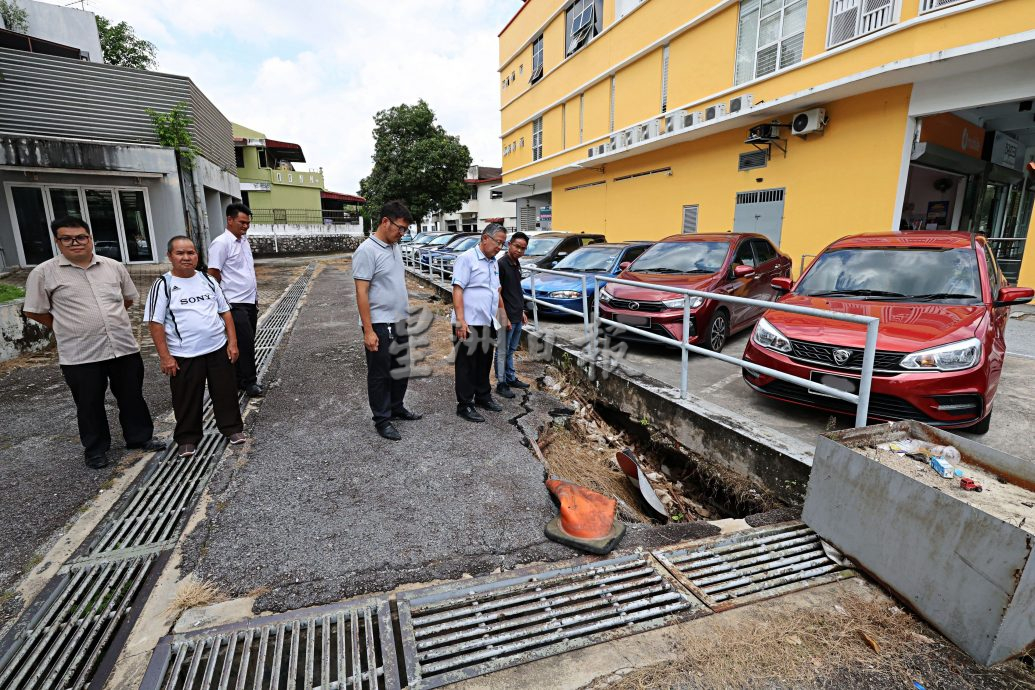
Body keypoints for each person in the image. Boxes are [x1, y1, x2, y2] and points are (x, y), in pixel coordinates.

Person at [23, 216, 166, 469]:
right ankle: (96, 449)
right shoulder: (44, 273)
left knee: (132, 396)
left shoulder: (113, 266)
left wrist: (107, 319)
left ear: (90, 239)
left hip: (122, 347)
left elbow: (128, 299)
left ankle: (139, 437)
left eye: (81, 237)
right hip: (80, 354)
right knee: (89, 404)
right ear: (58, 242)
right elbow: (34, 310)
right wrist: (64, 326)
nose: (75, 243)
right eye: (67, 238)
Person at [145, 236, 246, 458]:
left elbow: (225, 311)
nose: (186, 257)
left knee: (226, 392)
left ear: (197, 256)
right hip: (184, 354)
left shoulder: (208, 280)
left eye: (191, 252)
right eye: (180, 253)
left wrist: (233, 343)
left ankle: (232, 429)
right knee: (186, 398)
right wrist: (165, 357)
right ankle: (187, 439)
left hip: (217, 348)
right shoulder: (163, 285)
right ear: (170, 256)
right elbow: (155, 322)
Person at [354, 200, 423, 441]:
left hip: (399, 319)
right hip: (380, 323)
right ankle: (382, 419)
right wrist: (368, 330)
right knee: (380, 373)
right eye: (399, 228)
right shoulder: (366, 251)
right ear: (385, 221)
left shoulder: (393, 246)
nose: (402, 233)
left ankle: (396, 406)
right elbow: (361, 292)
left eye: (405, 230)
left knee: (400, 369)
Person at [452, 225, 508, 423]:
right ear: (485, 238)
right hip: (468, 322)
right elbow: (457, 289)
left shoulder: (493, 263)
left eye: (503, 243)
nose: (500, 247)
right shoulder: (467, 258)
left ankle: (483, 396)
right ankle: (465, 405)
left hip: (487, 321)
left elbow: (496, 291)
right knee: (466, 365)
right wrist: (460, 321)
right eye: (498, 242)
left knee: (484, 363)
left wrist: (502, 317)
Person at [208, 203, 262, 397]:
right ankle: (250, 383)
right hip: (233, 302)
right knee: (245, 343)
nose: (245, 226)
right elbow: (213, 273)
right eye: (242, 222)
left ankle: (239, 379)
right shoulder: (221, 243)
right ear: (229, 220)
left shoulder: (244, 241)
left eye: (248, 223)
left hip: (249, 301)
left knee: (246, 341)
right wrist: (220, 302)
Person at [494, 230, 530, 399]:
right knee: (502, 350)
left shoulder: (516, 264)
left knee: (510, 350)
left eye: (523, 248)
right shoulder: (501, 264)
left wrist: (522, 310)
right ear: (510, 245)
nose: (520, 251)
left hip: (516, 315)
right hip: (505, 317)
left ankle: (510, 377)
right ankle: (501, 383)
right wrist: (504, 316)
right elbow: (497, 292)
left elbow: (516, 290)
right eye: (517, 246)